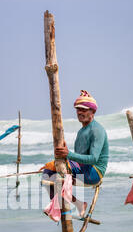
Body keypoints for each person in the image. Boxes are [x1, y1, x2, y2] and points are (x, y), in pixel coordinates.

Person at [42, 90, 109, 218]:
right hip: (84, 169)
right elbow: (77, 158)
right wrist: (62, 158)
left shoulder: (97, 130)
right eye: (78, 109)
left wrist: (68, 155)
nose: (79, 112)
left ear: (93, 112)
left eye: (83, 110)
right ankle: (77, 204)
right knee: (47, 174)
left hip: (94, 172)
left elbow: (93, 159)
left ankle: (57, 206)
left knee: (51, 170)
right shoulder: (81, 131)